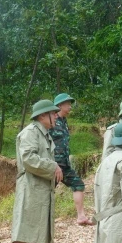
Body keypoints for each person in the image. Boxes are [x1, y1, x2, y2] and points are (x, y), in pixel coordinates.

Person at [9, 99, 63, 243]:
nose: (56, 116)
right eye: (53, 113)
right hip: (29, 185)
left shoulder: (44, 134)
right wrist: (52, 166)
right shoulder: (30, 133)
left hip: (40, 186)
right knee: (24, 223)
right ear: (42, 116)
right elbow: (28, 158)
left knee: (33, 224)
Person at [49, 92, 94, 226]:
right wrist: (52, 164)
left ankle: (81, 216)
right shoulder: (51, 122)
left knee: (78, 184)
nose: (70, 106)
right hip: (53, 165)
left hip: (64, 164)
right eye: (67, 104)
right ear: (59, 105)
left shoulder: (64, 122)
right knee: (46, 193)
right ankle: (41, 221)